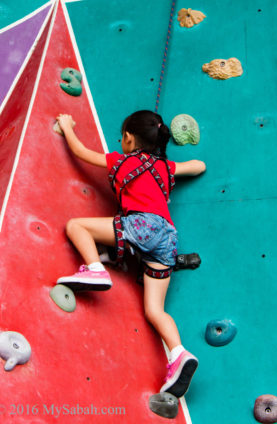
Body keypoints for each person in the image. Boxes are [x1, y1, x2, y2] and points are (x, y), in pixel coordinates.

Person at [55, 110, 206, 398]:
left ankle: (94, 269)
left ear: (128, 138)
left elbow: (81, 152)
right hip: (167, 239)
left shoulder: (120, 160)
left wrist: (67, 126)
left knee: (77, 226)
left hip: (141, 226)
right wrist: (190, 164)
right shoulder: (166, 167)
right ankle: (178, 354)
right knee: (155, 310)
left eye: (121, 136)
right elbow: (197, 166)